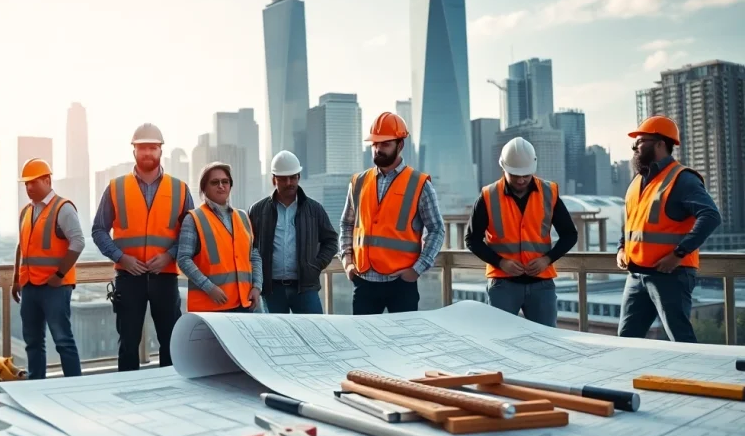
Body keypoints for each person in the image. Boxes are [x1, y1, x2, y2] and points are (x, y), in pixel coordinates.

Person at [91, 123, 193, 371]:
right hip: (128, 277)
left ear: (160, 151)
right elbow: (99, 229)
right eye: (142, 147)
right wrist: (121, 258)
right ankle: (128, 392)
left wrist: (169, 256)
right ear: (134, 151)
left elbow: (191, 234)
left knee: (170, 342)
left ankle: (171, 389)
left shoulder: (179, 189)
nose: (147, 152)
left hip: (165, 277)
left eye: (152, 147)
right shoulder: (116, 188)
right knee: (128, 344)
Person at [617, 116, 721, 342]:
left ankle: (693, 368)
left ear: (659, 144)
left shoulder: (682, 179)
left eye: (640, 141)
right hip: (636, 274)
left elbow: (711, 216)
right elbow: (632, 220)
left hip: (670, 275)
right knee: (625, 340)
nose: (635, 147)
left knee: (680, 340)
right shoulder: (638, 180)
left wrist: (679, 253)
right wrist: (621, 247)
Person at [464, 137, 578, 327]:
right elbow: (472, 239)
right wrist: (500, 262)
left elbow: (570, 234)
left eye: (526, 175)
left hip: (541, 284)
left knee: (546, 339)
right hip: (502, 284)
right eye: (515, 175)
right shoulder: (488, 196)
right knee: (499, 338)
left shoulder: (549, 192)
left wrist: (547, 259)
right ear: (503, 167)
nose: (521, 180)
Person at [339, 112, 445, 314]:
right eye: (375, 144)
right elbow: (346, 224)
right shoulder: (358, 182)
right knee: (363, 335)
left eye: (385, 144)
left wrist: (417, 270)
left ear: (400, 145)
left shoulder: (419, 184)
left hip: (401, 284)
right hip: (364, 281)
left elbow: (437, 229)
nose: (378, 149)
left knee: (404, 335)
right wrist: (347, 262)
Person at [11, 158, 84, 379]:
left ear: (47, 180)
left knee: (63, 340)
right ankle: (37, 385)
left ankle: (74, 387)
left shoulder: (63, 208)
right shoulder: (26, 212)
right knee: (32, 342)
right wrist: (16, 279)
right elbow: (22, 246)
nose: (29, 187)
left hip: (55, 287)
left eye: (33, 182)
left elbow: (78, 242)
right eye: (26, 183)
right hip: (30, 286)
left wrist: (59, 275)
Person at [248, 150, 338, 314]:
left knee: (313, 329)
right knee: (274, 331)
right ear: (273, 179)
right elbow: (249, 247)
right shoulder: (258, 211)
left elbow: (331, 241)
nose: (289, 182)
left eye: (292, 177)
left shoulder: (314, 209)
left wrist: (315, 265)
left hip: (305, 288)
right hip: (272, 289)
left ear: (299, 177)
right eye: (283, 179)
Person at [178, 162, 263, 312]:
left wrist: (257, 286)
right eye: (214, 182)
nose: (221, 186)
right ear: (204, 188)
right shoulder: (193, 219)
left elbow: (254, 255)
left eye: (225, 182)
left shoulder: (243, 217)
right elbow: (183, 259)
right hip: (210, 306)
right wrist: (209, 288)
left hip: (244, 303)